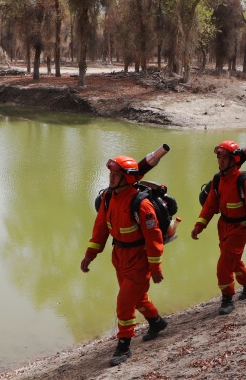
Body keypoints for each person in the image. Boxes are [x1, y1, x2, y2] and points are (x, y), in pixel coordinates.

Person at [80, 155, 167, 367]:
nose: (111, 177)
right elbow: (100, 229)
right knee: (136, 299)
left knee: (124, 302)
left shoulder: (142, 205)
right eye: (110, 173)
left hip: (139, 259)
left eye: (116, 175)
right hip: (119, 256)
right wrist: (90, 255)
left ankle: (124, 345)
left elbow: (154, 238)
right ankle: (156, 322)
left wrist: (155, 268)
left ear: (127, 178)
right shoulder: (109, 198)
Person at [192, 140, 246, 315]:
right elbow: (210, 205)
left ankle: (227, 298)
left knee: (224, 266)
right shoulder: (217, 180)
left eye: (224, 158)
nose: (220, 161)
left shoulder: (244, 182)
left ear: (234, 160)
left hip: (240, 228)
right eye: (219, 157)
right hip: (224, 225)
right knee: (232, 261)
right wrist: (200, 225)